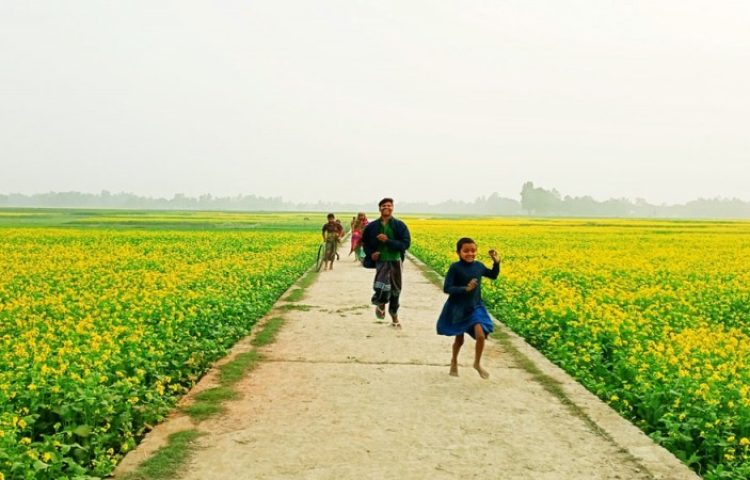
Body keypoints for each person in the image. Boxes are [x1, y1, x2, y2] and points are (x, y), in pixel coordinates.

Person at [436, 237, 501, 379]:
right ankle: (454, 360)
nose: (470, 254)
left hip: (475, 307)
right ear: (458, 252)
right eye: (466, 251)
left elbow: (493, 275)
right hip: (458, 308)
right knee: (459, 340)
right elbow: (447, 288)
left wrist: (496, 263)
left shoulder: (479, 266)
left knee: (481, 335)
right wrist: (465, 288)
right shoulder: (455, 267)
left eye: (473, 251)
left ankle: (477, 363)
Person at [362, 198, 411, 328]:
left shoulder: (399, 225)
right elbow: (365, 243)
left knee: (395, 290)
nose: (387, 207)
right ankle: (381, 303)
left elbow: (405, 244)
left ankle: (394, 317)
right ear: (380, 208)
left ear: (392, 208)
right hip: (381, 261)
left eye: (389, 205)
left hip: (395, 261)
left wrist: (387, 241)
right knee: (381, 286)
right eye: (384, 205)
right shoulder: (372, 227)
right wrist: (371, 254)